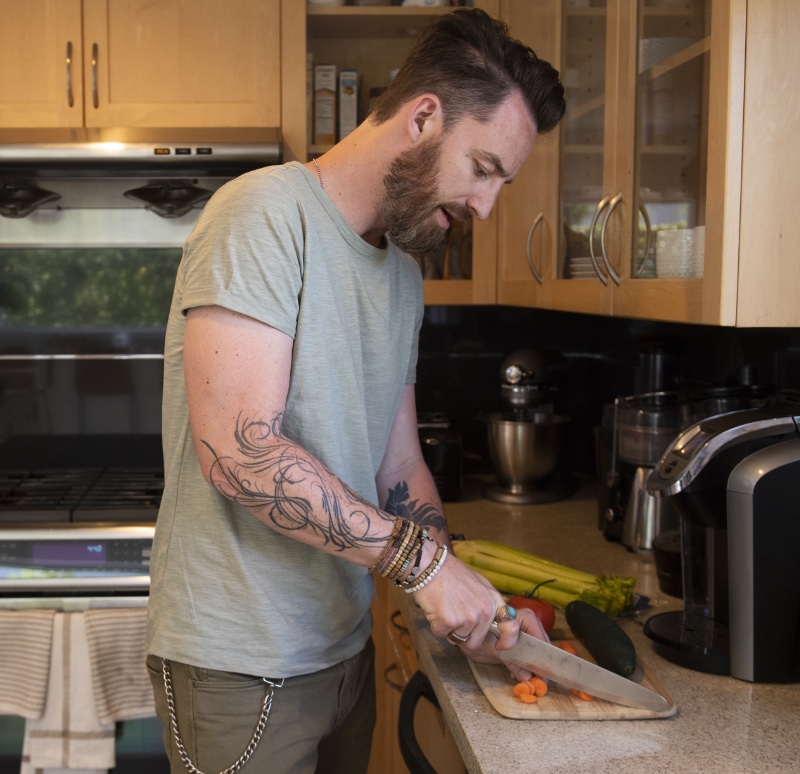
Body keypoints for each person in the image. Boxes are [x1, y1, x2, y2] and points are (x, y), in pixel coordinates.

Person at [146, 7, 565, 774]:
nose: (486, 207)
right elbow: (240, 454)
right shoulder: (263, 214)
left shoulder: (403, 270)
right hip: (240, 663)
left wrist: (469, 602)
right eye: (483, 169)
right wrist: (423, 568)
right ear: (424, 118)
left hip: (342, 647)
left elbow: (397, 462)